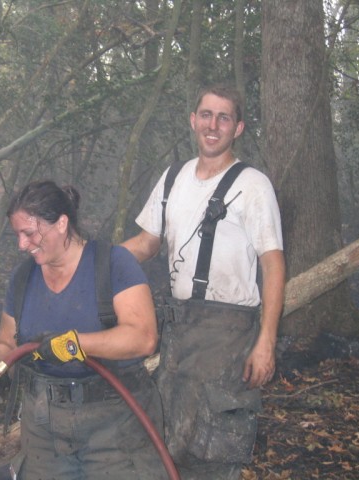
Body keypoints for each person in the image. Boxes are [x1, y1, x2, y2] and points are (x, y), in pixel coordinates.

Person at [122, 84, 286, 479]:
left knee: (212, 445)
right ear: (193, 120)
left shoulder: (253, 185)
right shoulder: (173, 177)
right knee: (166, 436)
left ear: (238, 127)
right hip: (178, 329)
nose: (213, 125)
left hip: (229, 333)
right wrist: (94, 264)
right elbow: (147, 242)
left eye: (224, 117)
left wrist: (266, 341)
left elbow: (274, 264)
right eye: (206, 115)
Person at [0, 180, 168, 479]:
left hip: (115, 423)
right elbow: (6, 343)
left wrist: (74, 344)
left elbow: (143, 338)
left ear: (61, 223)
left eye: (29, 233)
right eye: (17, 235)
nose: (22, 244)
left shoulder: (113, 264)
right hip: (43, 430)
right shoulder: (22, 278)